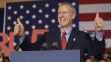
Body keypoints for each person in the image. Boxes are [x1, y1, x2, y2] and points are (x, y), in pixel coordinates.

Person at [14, 2, 104, 62]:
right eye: (59, 13)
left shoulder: (82, 36)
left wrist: (99, 32)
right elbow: (31, 50)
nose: (61, 15)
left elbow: (97, 52)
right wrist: (22, 36)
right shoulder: (49, 36)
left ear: (73, 15)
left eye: (64, 12)